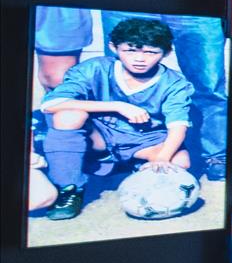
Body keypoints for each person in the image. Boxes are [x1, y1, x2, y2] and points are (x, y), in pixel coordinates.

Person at [35, 16, 195, 222]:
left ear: (166, 52)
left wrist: (162, 158)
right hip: (100, 134)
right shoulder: (95, 68)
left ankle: (134, 166)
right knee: (68, 116)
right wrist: (118, 106)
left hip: (143, 139)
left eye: (151, 52)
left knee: (179, 162)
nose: (139, 59)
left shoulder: (174, 83)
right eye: (130, 50)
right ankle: (69, 188)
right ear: (113, 47)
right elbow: (50, 104)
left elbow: (178, 126)